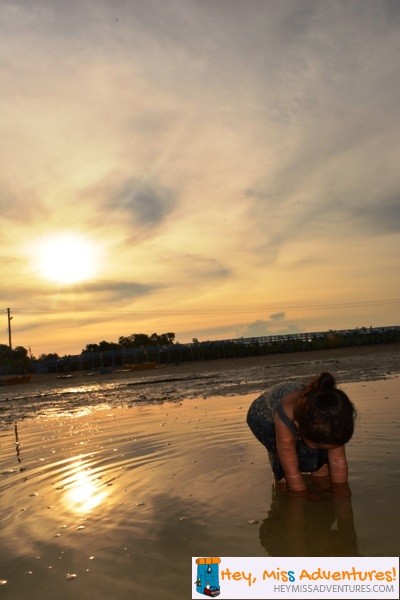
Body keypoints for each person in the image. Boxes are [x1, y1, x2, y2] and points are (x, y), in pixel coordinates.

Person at [246, 372, 356, 493]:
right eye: (318, 446)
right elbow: (291, 468)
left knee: (322, 466)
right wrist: (299, 492)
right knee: (284, 471)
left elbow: (337, 461)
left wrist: (342, 494)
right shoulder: (286, 416)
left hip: (305, 416)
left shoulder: (334, 420)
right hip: (263, 418)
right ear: (299, 426)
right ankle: (280, 484)